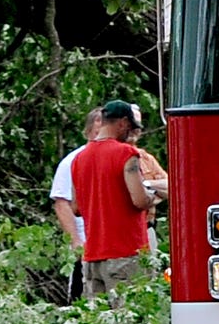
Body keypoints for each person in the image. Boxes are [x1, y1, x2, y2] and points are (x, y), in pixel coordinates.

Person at [69, 100, 166, 298]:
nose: (129, 134)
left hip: (93, 256)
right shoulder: (126, 153)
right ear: (122, 123)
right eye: (129, 128)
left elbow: (76, 208)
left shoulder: (79, 158)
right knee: (130, 317)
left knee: (99, 321)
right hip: (126, 252)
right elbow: (139, 201)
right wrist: (152, 196)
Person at [50, 107, 110, 257]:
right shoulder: (73, 161)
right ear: (90, 128)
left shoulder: (118, 158)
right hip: (86, 240)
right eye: (99, 122)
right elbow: (61, 202)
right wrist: (76, 241)